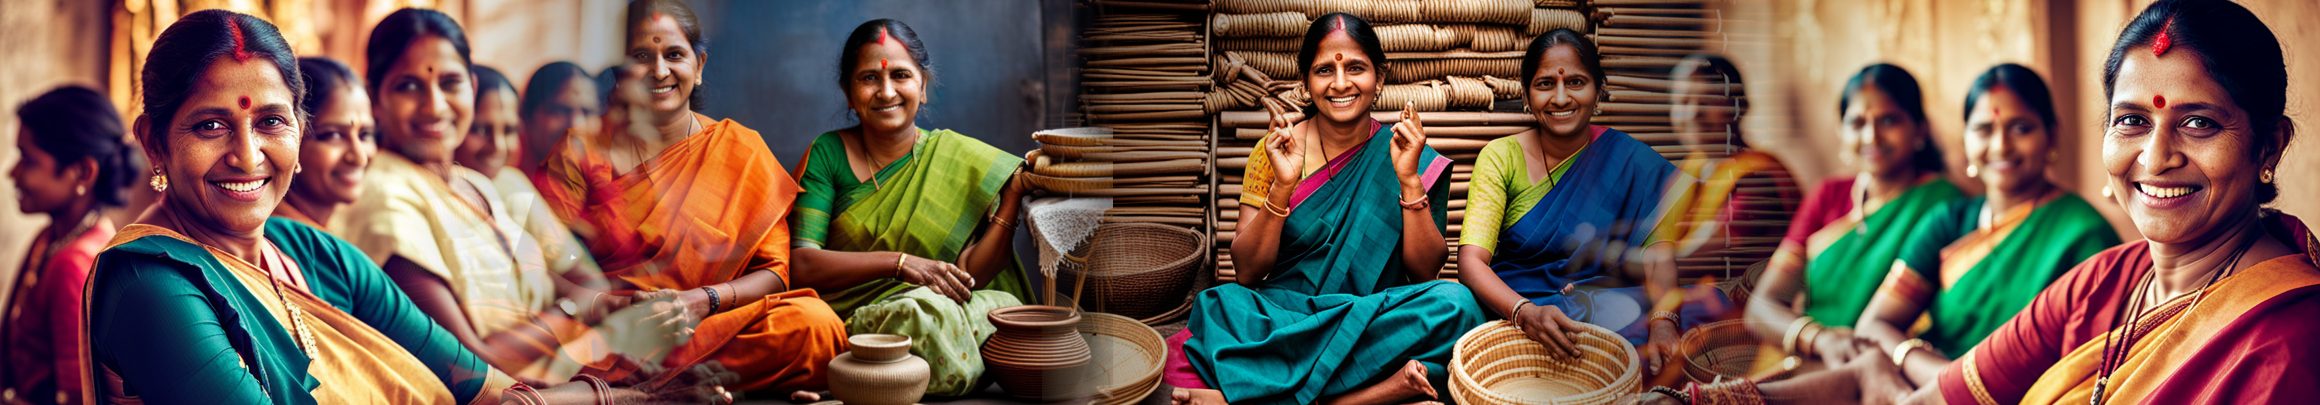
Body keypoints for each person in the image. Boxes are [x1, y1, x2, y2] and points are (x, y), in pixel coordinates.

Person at [80, 10, 716, 403]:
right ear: (154, 144)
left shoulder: (315, 252)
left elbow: (478, 383)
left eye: (271, 122)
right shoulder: (151, 283)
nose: (248, 156)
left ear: (297, 131)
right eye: (210, 127)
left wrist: (632, 398)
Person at [534, 0, 848, 394]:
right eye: (641, 57)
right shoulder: (581, 149)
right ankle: (669, 390)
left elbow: (774, 273)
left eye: (674, 55)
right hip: (610, 329)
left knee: (812, 325)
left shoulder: (740, 148)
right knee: (533, 337)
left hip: (706, 324)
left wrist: (701, 302)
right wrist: (615, 308)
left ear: (698, 67)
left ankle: (640, 391)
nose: (660, 71)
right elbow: (540, 270)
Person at [1171, 13, 1482, 405]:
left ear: (1379, 78)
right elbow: (1248, 272)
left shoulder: (1408, 154)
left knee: (1457, 305)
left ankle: (1254, 392)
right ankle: (1372, 394)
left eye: (1356, 68)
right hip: (1287, 318)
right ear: (1305, 81)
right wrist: (1282, 185)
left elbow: (1425, 271)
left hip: (1371, 315)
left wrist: (1408, 180)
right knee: (1221, 305)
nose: (1340, 83)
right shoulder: (1274, 152)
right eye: (1323, 70)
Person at [329, 8, 615, 384]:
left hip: (574, 376)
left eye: (450, 83)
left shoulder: (475, 183)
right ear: (375, 99)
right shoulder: (383, 195)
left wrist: (577, 304)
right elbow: (470, 363)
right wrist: (573, 310)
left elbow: (584, 277)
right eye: (408, 86)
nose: (434, 105)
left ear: (472, 88)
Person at [786, 18, 1028, 397]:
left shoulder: (958, 159)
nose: (886, 92)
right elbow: (802, 264)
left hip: (938, 312)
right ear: (848, 93)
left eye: (900, 75)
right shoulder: (828, 153)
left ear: (923, 86)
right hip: (857, 322)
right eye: (868, 79)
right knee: (918, 313)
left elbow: (968, 279)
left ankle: (898, 382)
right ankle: (889, 378)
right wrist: (900, 263)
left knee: (1004, 308)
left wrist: (1011, 199)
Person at [1850, 64, 2121, 386]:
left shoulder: (2083, 233)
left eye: (2020, 128)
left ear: (2051, 135)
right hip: (1927, 385)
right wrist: (1944, 379)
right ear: (1965, 138)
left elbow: (2083, 368)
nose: (2000, 146)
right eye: (1983, 129)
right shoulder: (1948, 221)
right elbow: (1872, 325)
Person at [1453, 29, 1701, 376]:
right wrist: (1525, 313)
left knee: (1706, 313)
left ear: (1599, 91)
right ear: (1526, 95)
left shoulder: (1627, 158)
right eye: (1544, 85)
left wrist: (1662, 322)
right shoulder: (1501, 157)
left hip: (1604, 304)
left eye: (1576, 82)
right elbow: (1471, 262)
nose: (1560, 98)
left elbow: (1659, 254)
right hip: (1519, 307)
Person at [1746, 63, 1968, 369]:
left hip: (1885, 367)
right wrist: (1820, 339)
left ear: (1920, 129)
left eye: (1888, 120)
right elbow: (1760, 307)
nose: (1871, 136)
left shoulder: (1944, 204)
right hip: (1803, 355)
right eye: (1857, 122)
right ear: (1841, 130)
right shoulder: (1828, 194)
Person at [4, 85, 133, 405]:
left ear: (83, 172)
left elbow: (77, 398)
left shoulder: (74, 265)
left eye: (28, 160)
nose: (12, 172)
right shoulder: (53, 237)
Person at [1648, 53, 1799, 274]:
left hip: (1738, 305)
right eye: (1682, 101)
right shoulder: (1693, 167)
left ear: (1740, 106)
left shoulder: (1757, 179)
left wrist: (1610, 258)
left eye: (1708, 100)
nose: (1693, 113)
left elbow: (1687, 260)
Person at [273, 57, 376, 228]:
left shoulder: (323, 237)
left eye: (365, 134)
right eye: (334, 135)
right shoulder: (272, 241)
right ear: (290, 140)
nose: (359, 158)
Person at [517, 62, 599, 175]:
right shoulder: (504, 177)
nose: (577, 124)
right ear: (527, 116)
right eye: (561, 110)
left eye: (587, 112)